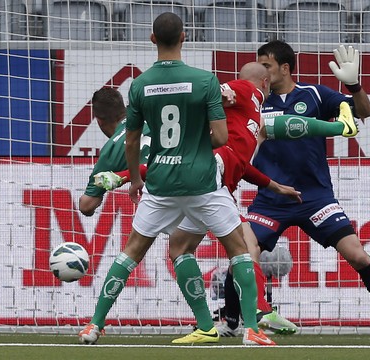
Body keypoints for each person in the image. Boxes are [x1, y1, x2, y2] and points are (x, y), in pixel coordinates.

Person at [93, 62, 358, 338]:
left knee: (199, 246)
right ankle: (242, 318)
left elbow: (265, 140)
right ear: (266, 82)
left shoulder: (253, 114)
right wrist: (336, 129)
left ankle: (239, 319)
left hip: (218, 174)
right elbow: (248, 111)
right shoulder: (251, 100)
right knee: (212, 245)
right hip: (215, 174)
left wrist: (273, 183)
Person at [78, 12, 276, 346]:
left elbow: (131, 139)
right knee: (239, 251)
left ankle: (94, 326)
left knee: (130, 254)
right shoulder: (204, 81)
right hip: (202, 181)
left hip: (161, 182)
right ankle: (252, 330)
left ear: (152, 39)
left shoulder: (140, 85)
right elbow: (218, 136)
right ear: (185, 37)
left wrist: (136, 182)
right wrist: (194, 143)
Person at [219, 39, 370, 339]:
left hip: (315, 197)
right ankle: (231, 322)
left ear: (285, 68)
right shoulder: (254, 101)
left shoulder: (314, 94)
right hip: (271, 197)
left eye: (266, 66)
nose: (262, 73)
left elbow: (364, 112)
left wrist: (355, 86)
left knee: (357, 255)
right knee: (243, 252)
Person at [78, 87, 150, 217]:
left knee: (141, 234)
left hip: (163, 199)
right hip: (191, 182)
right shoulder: (151, 117)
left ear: (99, 121)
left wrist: (119, 178)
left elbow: (86, 205)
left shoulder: (110, 152)